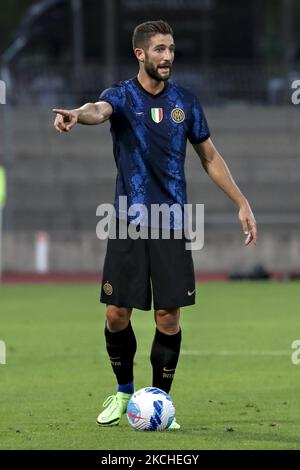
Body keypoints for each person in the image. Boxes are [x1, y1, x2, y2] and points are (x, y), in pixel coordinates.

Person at [53, 20, 257, 430]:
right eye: (160, 49)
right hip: (127, 223)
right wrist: (77, 114)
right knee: (116, 314)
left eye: (171, 49)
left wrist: (241, 201)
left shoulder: (186, 102)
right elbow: (98, 109)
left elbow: (210, 158)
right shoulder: (122, 96)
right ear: (140, 54)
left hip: (171, 224)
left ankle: (161, 401)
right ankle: (125, 392)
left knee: (168, 317)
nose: (168, 56)